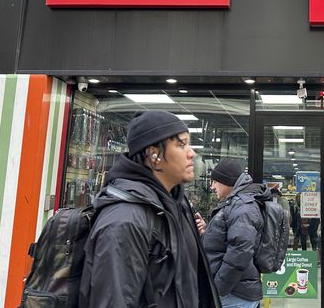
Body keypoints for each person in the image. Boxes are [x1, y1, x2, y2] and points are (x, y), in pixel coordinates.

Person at [79, 110, 220, 307]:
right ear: (154, 155)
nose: (192, 153)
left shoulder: (176, 205)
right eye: (181, 144)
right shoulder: (125, 218)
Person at [203, 159, 268, 308]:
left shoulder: (242, 207)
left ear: (227, 182)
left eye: (215, 181)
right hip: (235, 292)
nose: (212, 186)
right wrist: (206, 231)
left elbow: (240, 252)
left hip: (234, 295)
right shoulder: (235, 204)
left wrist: (218, 288)